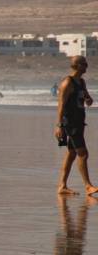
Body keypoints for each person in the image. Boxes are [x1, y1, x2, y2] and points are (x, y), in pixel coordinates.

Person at [54, 56, 98, 196]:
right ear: (77, 65)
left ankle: (62, 186)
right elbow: (61, 104)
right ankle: (88, 186)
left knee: (71, 154)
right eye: (84, 64)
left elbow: (87, 100)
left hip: (79, 122)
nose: (87, 66)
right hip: (70, 123)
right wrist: (59, 125)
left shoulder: (81, 82)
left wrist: (88, 100)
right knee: (83, 154)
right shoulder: (67, 83)